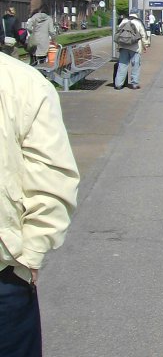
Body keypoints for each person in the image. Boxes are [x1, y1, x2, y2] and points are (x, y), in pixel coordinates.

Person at [0, 51, 80, 356]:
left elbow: (52, 177)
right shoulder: (23, 81)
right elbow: (53, 177)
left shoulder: (21, 84)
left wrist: (29, 253)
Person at [114, 13, 149, 90]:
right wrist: (145, 45)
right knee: (135, 66)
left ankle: (118, 84)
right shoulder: (138, 22)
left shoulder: (123, 21)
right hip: (135, 47)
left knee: (122, 65)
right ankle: (134, 84)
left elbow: (118, 34)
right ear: (136, 15)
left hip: (123, 46)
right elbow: (143, 35)